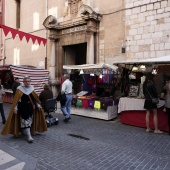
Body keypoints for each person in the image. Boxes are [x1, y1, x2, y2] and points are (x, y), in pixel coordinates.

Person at [1, 76, 47, 143]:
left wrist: (38, 105)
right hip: (22, 107)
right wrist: (15, 108)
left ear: (30, 82)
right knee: (26, 121)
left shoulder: (32, 89)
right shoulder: (19, 89)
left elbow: (34, 99)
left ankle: (24, 131)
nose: (27, 82)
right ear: (23, 82)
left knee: (29, 121)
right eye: (26, 81)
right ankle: (29, 136)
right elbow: (16, 100)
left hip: (30, 107)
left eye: (28, 81)